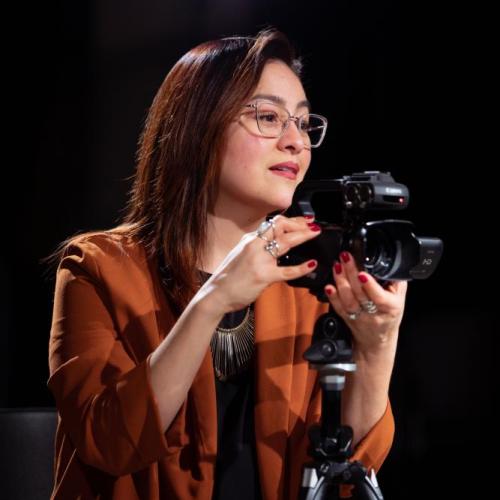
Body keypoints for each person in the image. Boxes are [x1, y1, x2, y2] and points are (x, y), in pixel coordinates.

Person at [47, 28, 407, 499]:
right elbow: (109, 441)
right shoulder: (97, 268)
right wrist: (214, 299)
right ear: (199, 127)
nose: (295, 142)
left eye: (302, 123)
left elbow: (342, 473)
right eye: (268, 117)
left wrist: (379, 343)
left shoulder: (303, 281)